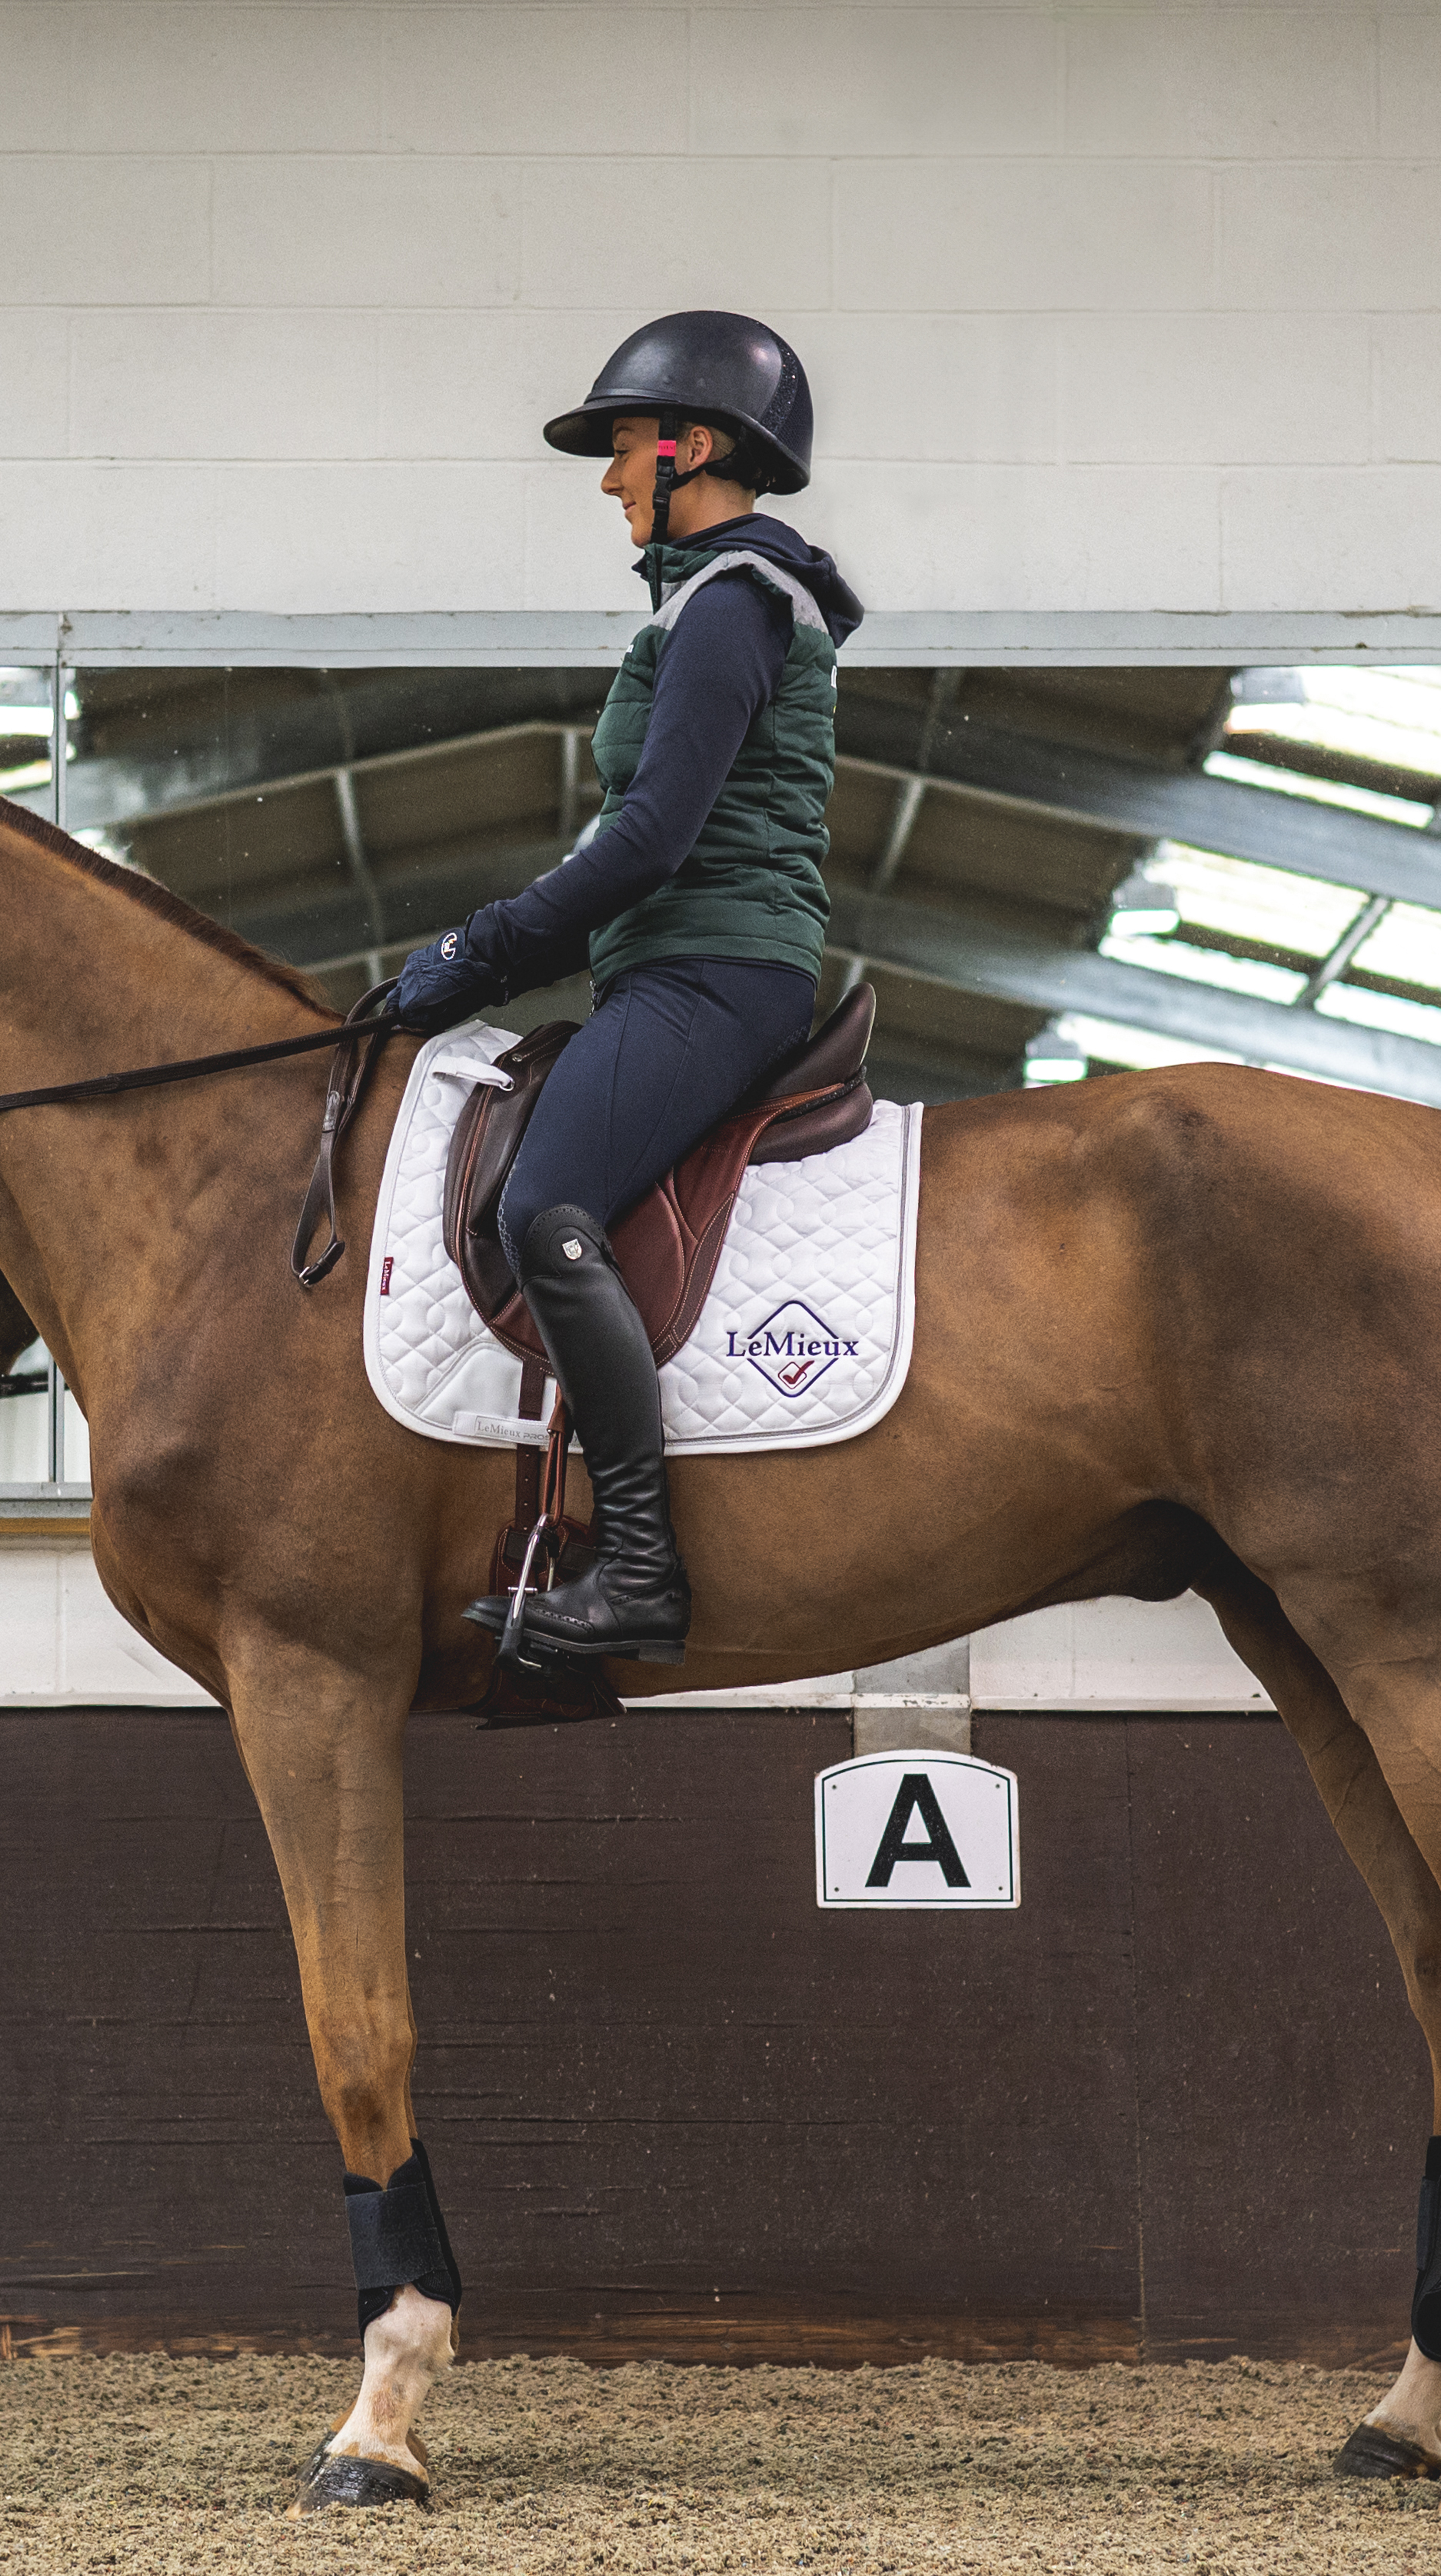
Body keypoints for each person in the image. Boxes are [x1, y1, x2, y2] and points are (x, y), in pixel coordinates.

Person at [385, 309, 865, 1671]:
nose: (608, 480)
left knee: (546, 1207)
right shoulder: (710, 601)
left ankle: (642, 1568)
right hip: (682, 962)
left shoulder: (729, 605)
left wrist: (477, 952)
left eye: (620, 452)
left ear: (690, 446)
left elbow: (650, 836)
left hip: (715, 970)